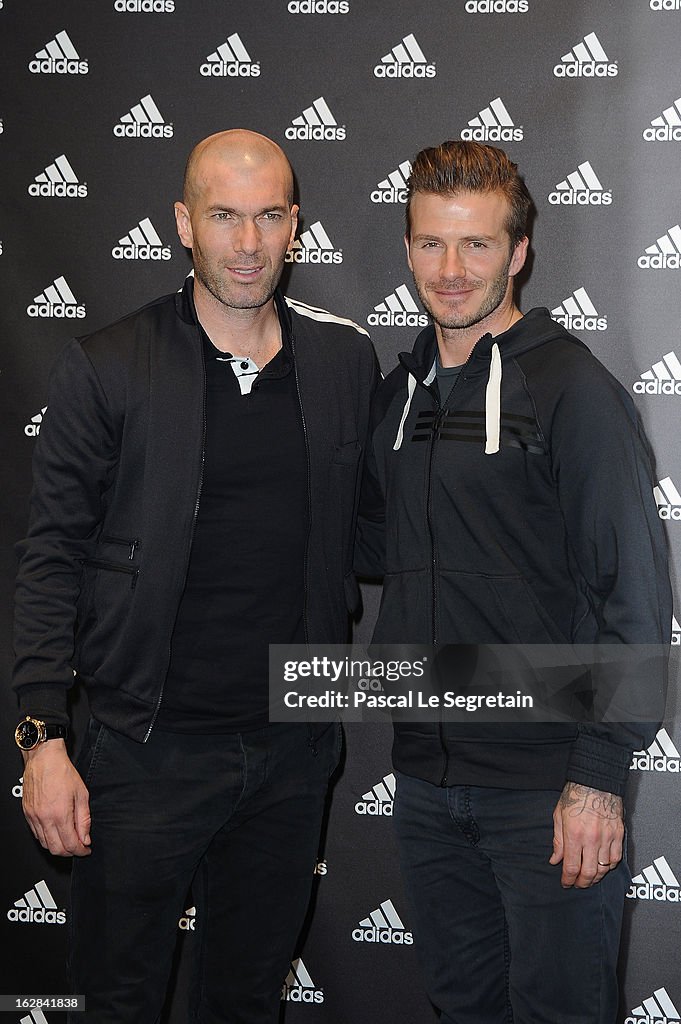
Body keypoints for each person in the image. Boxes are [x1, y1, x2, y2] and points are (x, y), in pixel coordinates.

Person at [13, 129, 378, 1024]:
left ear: (295, 226)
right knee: (121, 1001)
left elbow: (377, 534)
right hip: (144, 752)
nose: (246, 244)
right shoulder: (108, 366)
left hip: (293, 751)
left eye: (266, 218)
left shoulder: (342, 363)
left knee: (246, 1000)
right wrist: (41, 739)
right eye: (224, 216)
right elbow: (50, 555)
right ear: (183, 223)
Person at [356, 141, 671, 1024]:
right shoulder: (401, 390)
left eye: (477, 245)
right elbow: (375, 543)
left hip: (547, 791)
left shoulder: (572, 390)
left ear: (518, 250)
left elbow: (633, 594)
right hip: (426, 782)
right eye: (429, 244)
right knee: (462, 1009)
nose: (450, 271)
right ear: (408, 248)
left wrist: (598, 775)